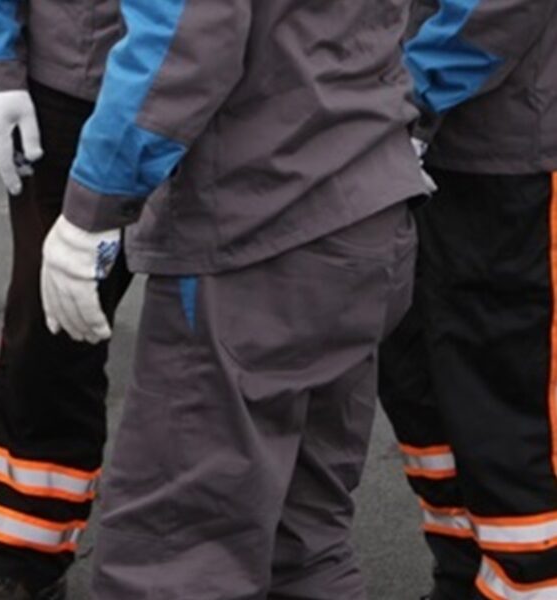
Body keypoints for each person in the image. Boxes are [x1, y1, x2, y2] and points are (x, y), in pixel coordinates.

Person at [39, 0, 432, 596]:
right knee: (304, 534)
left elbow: (183, 40)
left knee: (176, 550)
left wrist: (91, 206)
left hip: (258, 230)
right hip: (365, 205)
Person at [0, 1, 132, 598]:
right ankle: (25, 562)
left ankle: (222, 554)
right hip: (74, 92)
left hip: (234, 102)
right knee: (49, 334)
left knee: (223, 341)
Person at [377, 0, 557, 597]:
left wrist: (407, 99)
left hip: (507, 156)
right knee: (422, 386)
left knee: (507, 406)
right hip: (420, 142)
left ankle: (528, 582)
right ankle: (463, 576)